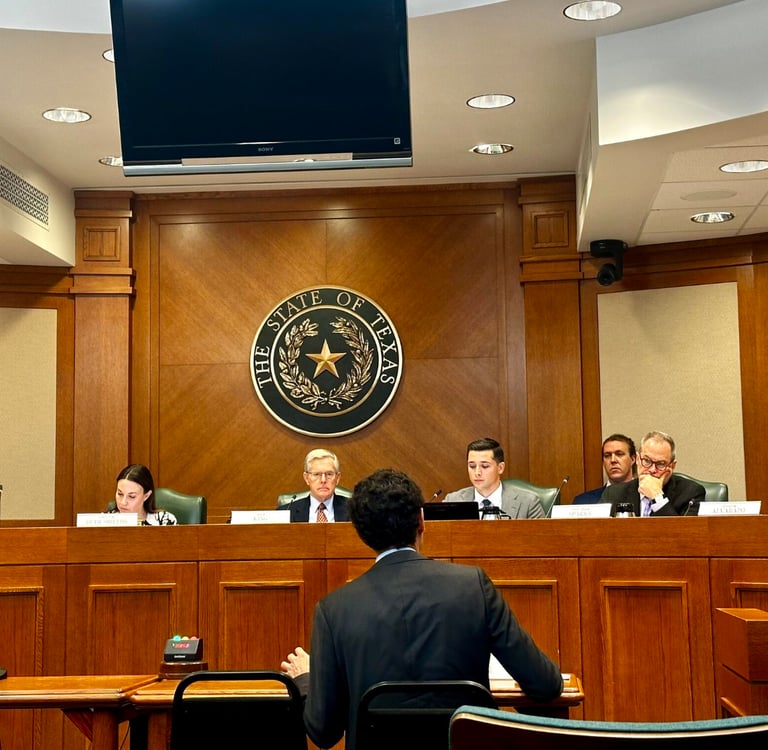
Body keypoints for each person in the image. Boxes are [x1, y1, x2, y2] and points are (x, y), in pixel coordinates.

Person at [280, 468, 562, 750]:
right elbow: (546, 684)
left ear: (361, 534)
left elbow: (324, 733)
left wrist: (306, 680)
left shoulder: (334, 609)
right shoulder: (473, 586)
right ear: (422, 520)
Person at [601, 431, 705, 516]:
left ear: (672, 466)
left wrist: (658, 497)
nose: (652, 469)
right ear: (637, 459)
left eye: (661, 464)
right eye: (646, 461)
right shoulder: (613, 494)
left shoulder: (691, 493)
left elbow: (684, 534)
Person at [443, 437, 545, 518]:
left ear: (500, 468)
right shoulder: (452, 501)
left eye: (485, 466)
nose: (477, 472)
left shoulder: (528, 503)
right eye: (472, 466)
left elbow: (541, 537)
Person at [279, 448, 349, 522]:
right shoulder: (286, 512)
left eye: (329, 474)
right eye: (316, 474)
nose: (323, 480)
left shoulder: (354, 510)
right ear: (306, 478)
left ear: (337, 478)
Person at [573, 433, 637, 505]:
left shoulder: (644, 496)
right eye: (607, 456)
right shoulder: (584, 501)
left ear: (633, 459)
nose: (613, 460)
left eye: (619, 454)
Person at [106, 463, 177, 525]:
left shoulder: (164, 521)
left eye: (131, 496)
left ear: (146, 496)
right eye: (120, 494)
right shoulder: (105, 521)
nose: (123, 502)